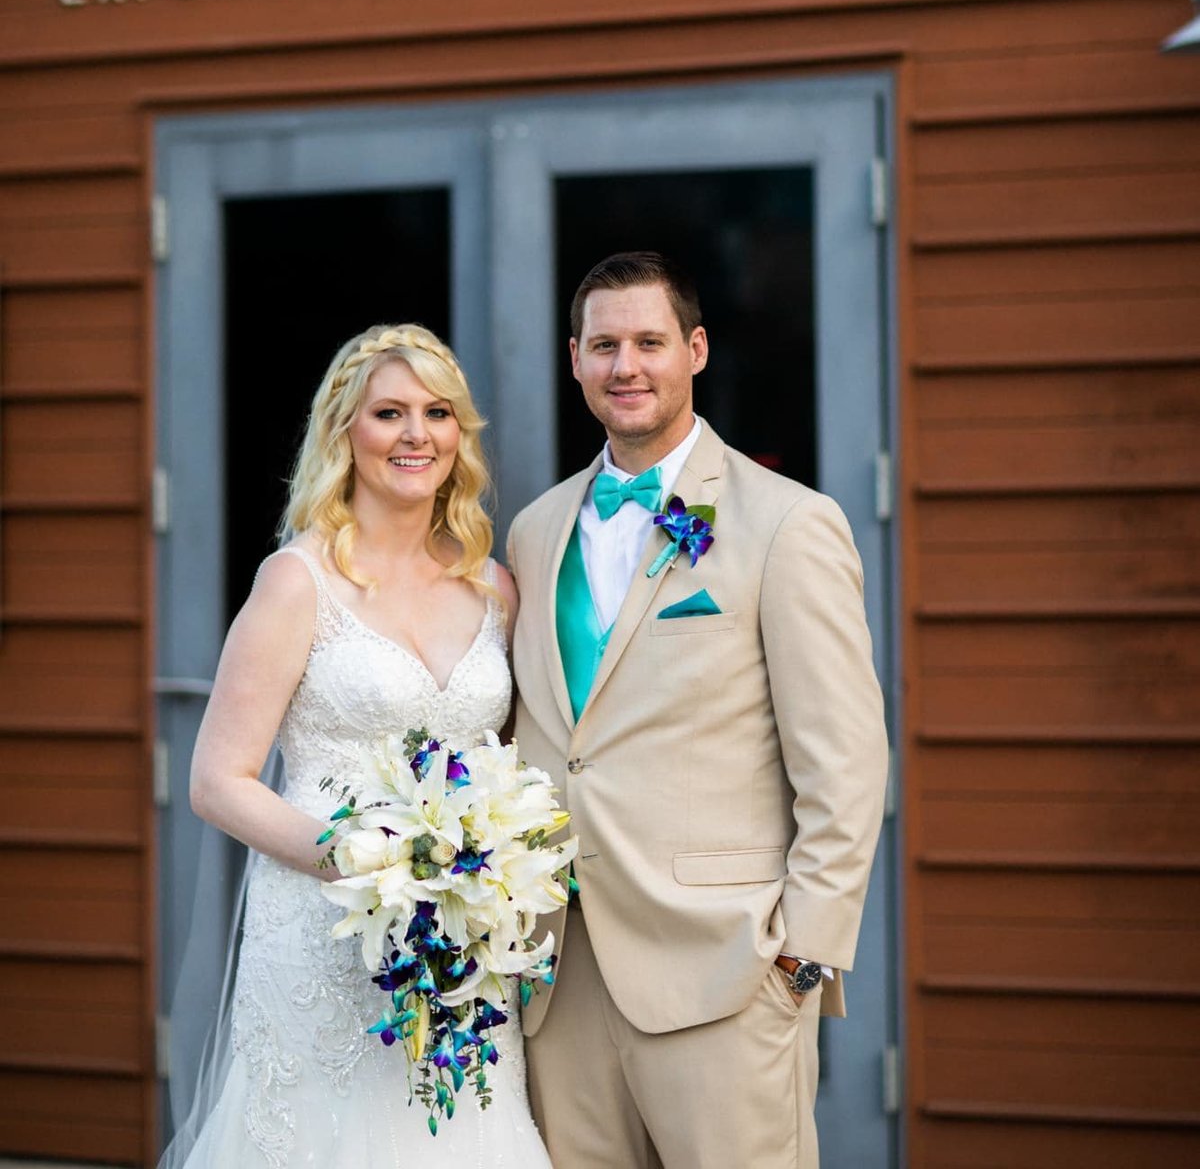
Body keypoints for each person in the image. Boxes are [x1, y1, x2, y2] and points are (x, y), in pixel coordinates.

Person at [508, 252, 889, 1169]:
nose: (625, 366)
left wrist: (803, 960)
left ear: (697, 350)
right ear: (574, 360)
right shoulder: (533, 530)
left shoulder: (788, 524)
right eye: (604, 345)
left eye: (649, 342)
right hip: (561, 977)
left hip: (725, 974)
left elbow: (844, 761)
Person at [163, 322, 553, 1169]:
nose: (417, 434)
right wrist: (358, 859)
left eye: (438, 412)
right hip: (320, 934)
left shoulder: (496, 588)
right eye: (390, 413)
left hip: (460, 946)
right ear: (346, 430)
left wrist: (483, 869)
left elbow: (511, 764)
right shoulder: (296, 581)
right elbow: (217, 781)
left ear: (460, 436)